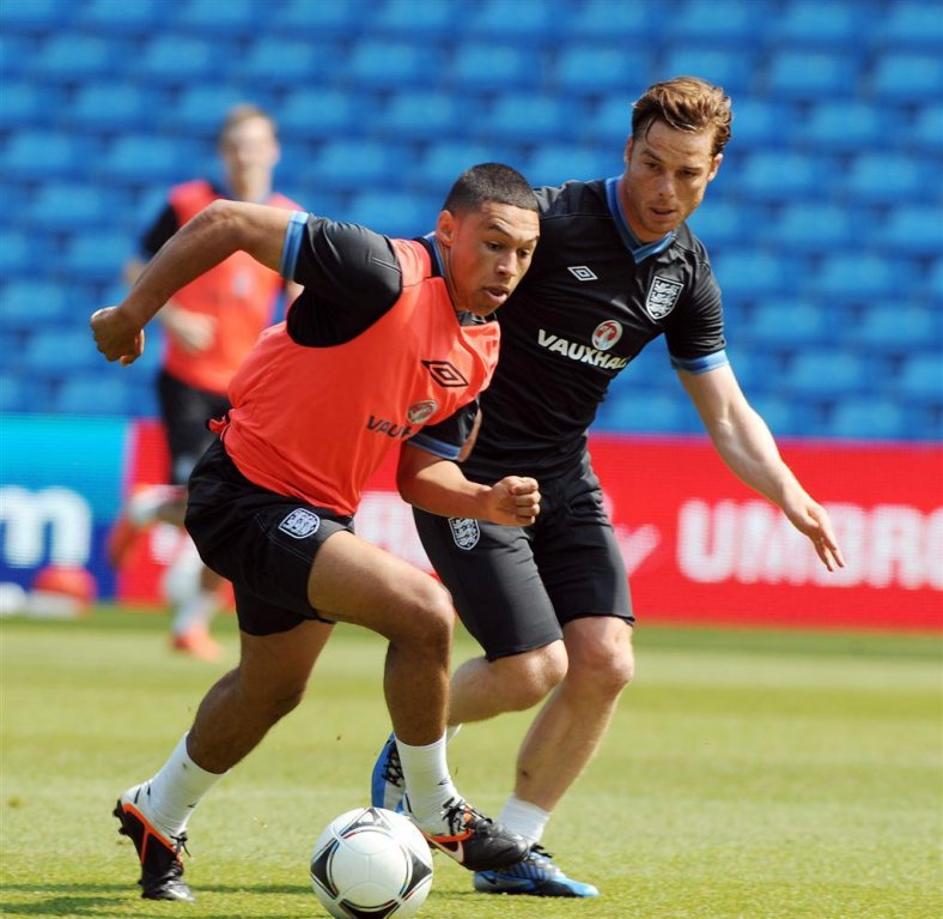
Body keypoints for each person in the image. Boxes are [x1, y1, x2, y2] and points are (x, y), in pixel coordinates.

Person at [371, 77, 846, 898]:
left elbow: (726, 411)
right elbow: (422, 269)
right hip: (468, 472)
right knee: (530, 668)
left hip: (561, 475)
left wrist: (788, 492)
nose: (665, 189)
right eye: (651, 164)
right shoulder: (549, 221)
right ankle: (415, 745)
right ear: (627, 150)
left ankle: (513, 847)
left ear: (713, 171)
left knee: (605, 660)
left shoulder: (685, 274)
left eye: (687, 173)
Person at [90, 162, 543, 902]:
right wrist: (132, 312)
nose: (508, 266)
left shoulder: (481, 347)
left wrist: (483, 500)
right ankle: (436, 807)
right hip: (243, 492)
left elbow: (421, 474)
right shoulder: (380, 270)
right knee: (425, 612)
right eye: (493, 244)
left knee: (270, 690)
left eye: (523, 252)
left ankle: (156, 812)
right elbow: (228, 221)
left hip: (316, 511)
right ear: (448, 229)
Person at [108, 104, 302, 661]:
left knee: (237, 503)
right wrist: (172, 318)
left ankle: (187, 618)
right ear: (223, 153)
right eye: (236, 145)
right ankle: (150, 512)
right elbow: (134, 270)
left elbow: (297, 295)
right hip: (188, 379)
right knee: (205, 501)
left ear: (273, 152)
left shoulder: (287, 219)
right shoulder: (188, 203)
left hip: (247, 384)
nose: (246, 156)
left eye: (255, 145)